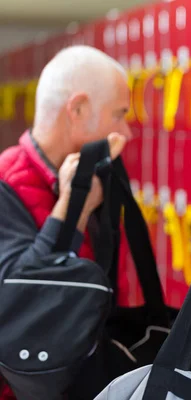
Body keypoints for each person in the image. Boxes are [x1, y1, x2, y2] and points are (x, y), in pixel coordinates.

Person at [0, 45, 130, 399]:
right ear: (78, 109)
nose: (126, 132)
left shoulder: (86, 180)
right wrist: (72, 210)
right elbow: (20, 302)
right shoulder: (5, 186)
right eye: (118, 114)